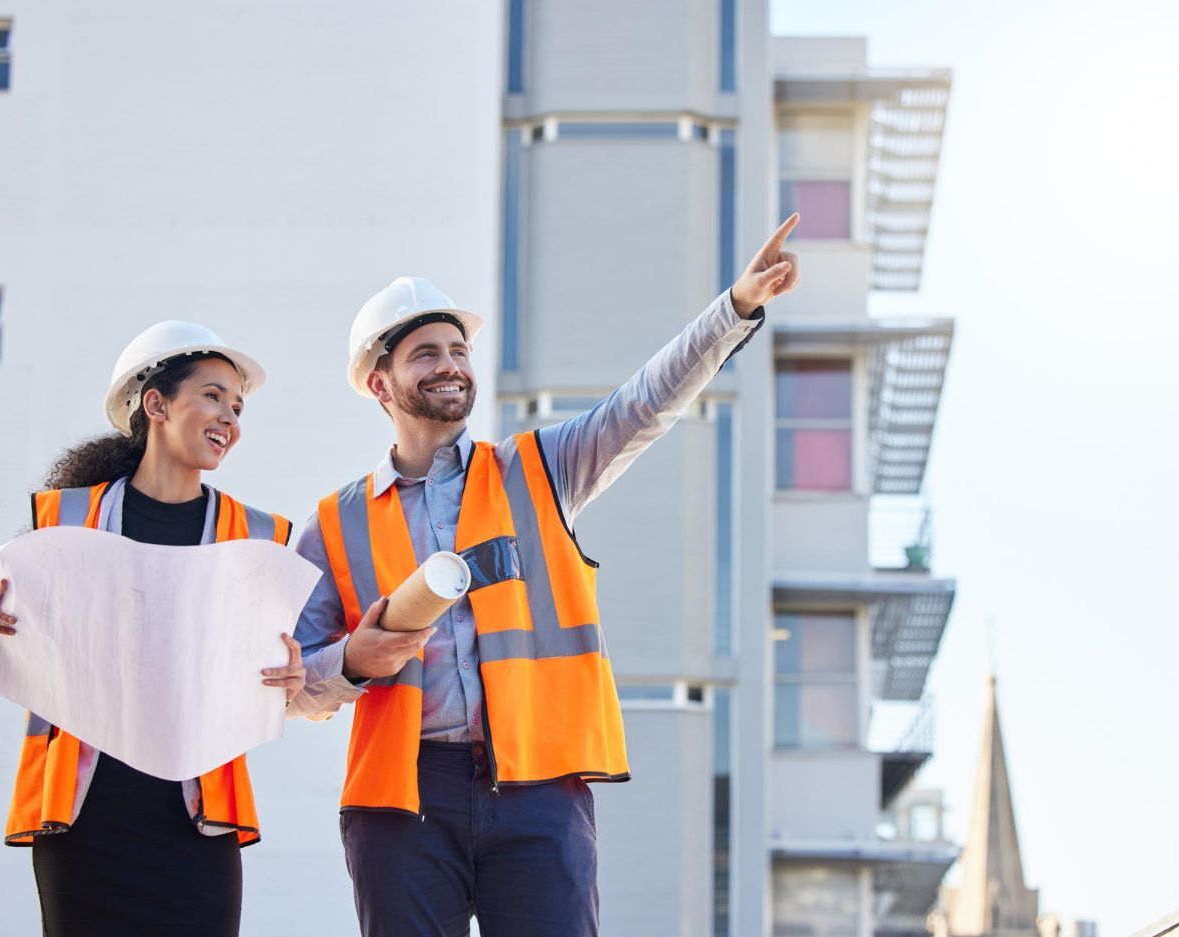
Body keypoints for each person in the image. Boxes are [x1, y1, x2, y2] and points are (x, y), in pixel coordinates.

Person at [287, 215, 801, 935]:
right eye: (425, 353)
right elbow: (290, 685)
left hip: (537, 787)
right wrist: (349, 661)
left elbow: (643, 404)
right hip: (403, 800)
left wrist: (735, 308)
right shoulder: (332, 524)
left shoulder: (539, 470)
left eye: (459, 350)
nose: (450, 364)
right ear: (380, 383)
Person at [0, 321, 307, 937]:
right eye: (212, 395)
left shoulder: (259, 538)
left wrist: (290, 675)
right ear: (155, 404)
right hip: (86, 812)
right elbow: (26, 628)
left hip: (196, 818)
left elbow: (273, 667)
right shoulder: (69, 518)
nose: (229, 418)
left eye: (237, 407)